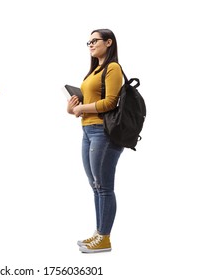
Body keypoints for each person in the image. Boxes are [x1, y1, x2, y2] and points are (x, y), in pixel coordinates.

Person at [67, 29, 123, 253]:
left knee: (104, 187)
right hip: (87, 131)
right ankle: (99, 233)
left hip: (104, 132)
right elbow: (87, 103)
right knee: (96, 186)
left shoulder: (112, 68)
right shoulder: (93, 71)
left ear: (109, 42)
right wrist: (73, 108)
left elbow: (110, 102)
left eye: (95, 40)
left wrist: (82, 107)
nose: (90, 44)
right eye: (88, 42)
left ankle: (105, 238)